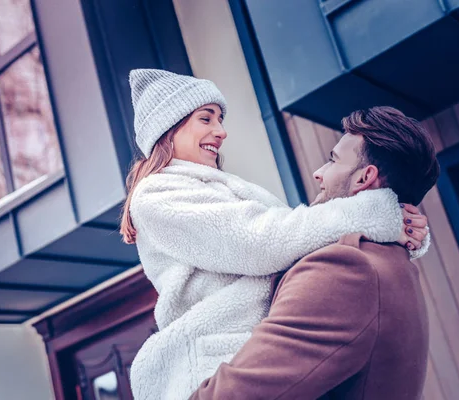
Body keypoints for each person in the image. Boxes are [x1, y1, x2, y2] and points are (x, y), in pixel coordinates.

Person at [120, 69, 428, 400]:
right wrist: (374, 213)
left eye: (220, 119)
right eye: (206, 119)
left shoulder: (219, 186)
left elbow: (293, 239)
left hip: (253, 356)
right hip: (218, 365)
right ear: (168, 127)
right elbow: (261, 242)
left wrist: (395, 227)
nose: (221, 132)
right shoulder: (157, 194)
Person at [190, 106, 440, 400]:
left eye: (332, 160)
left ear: (364, 178)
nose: (318, 173)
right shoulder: (391, 264)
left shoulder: (346, 270)